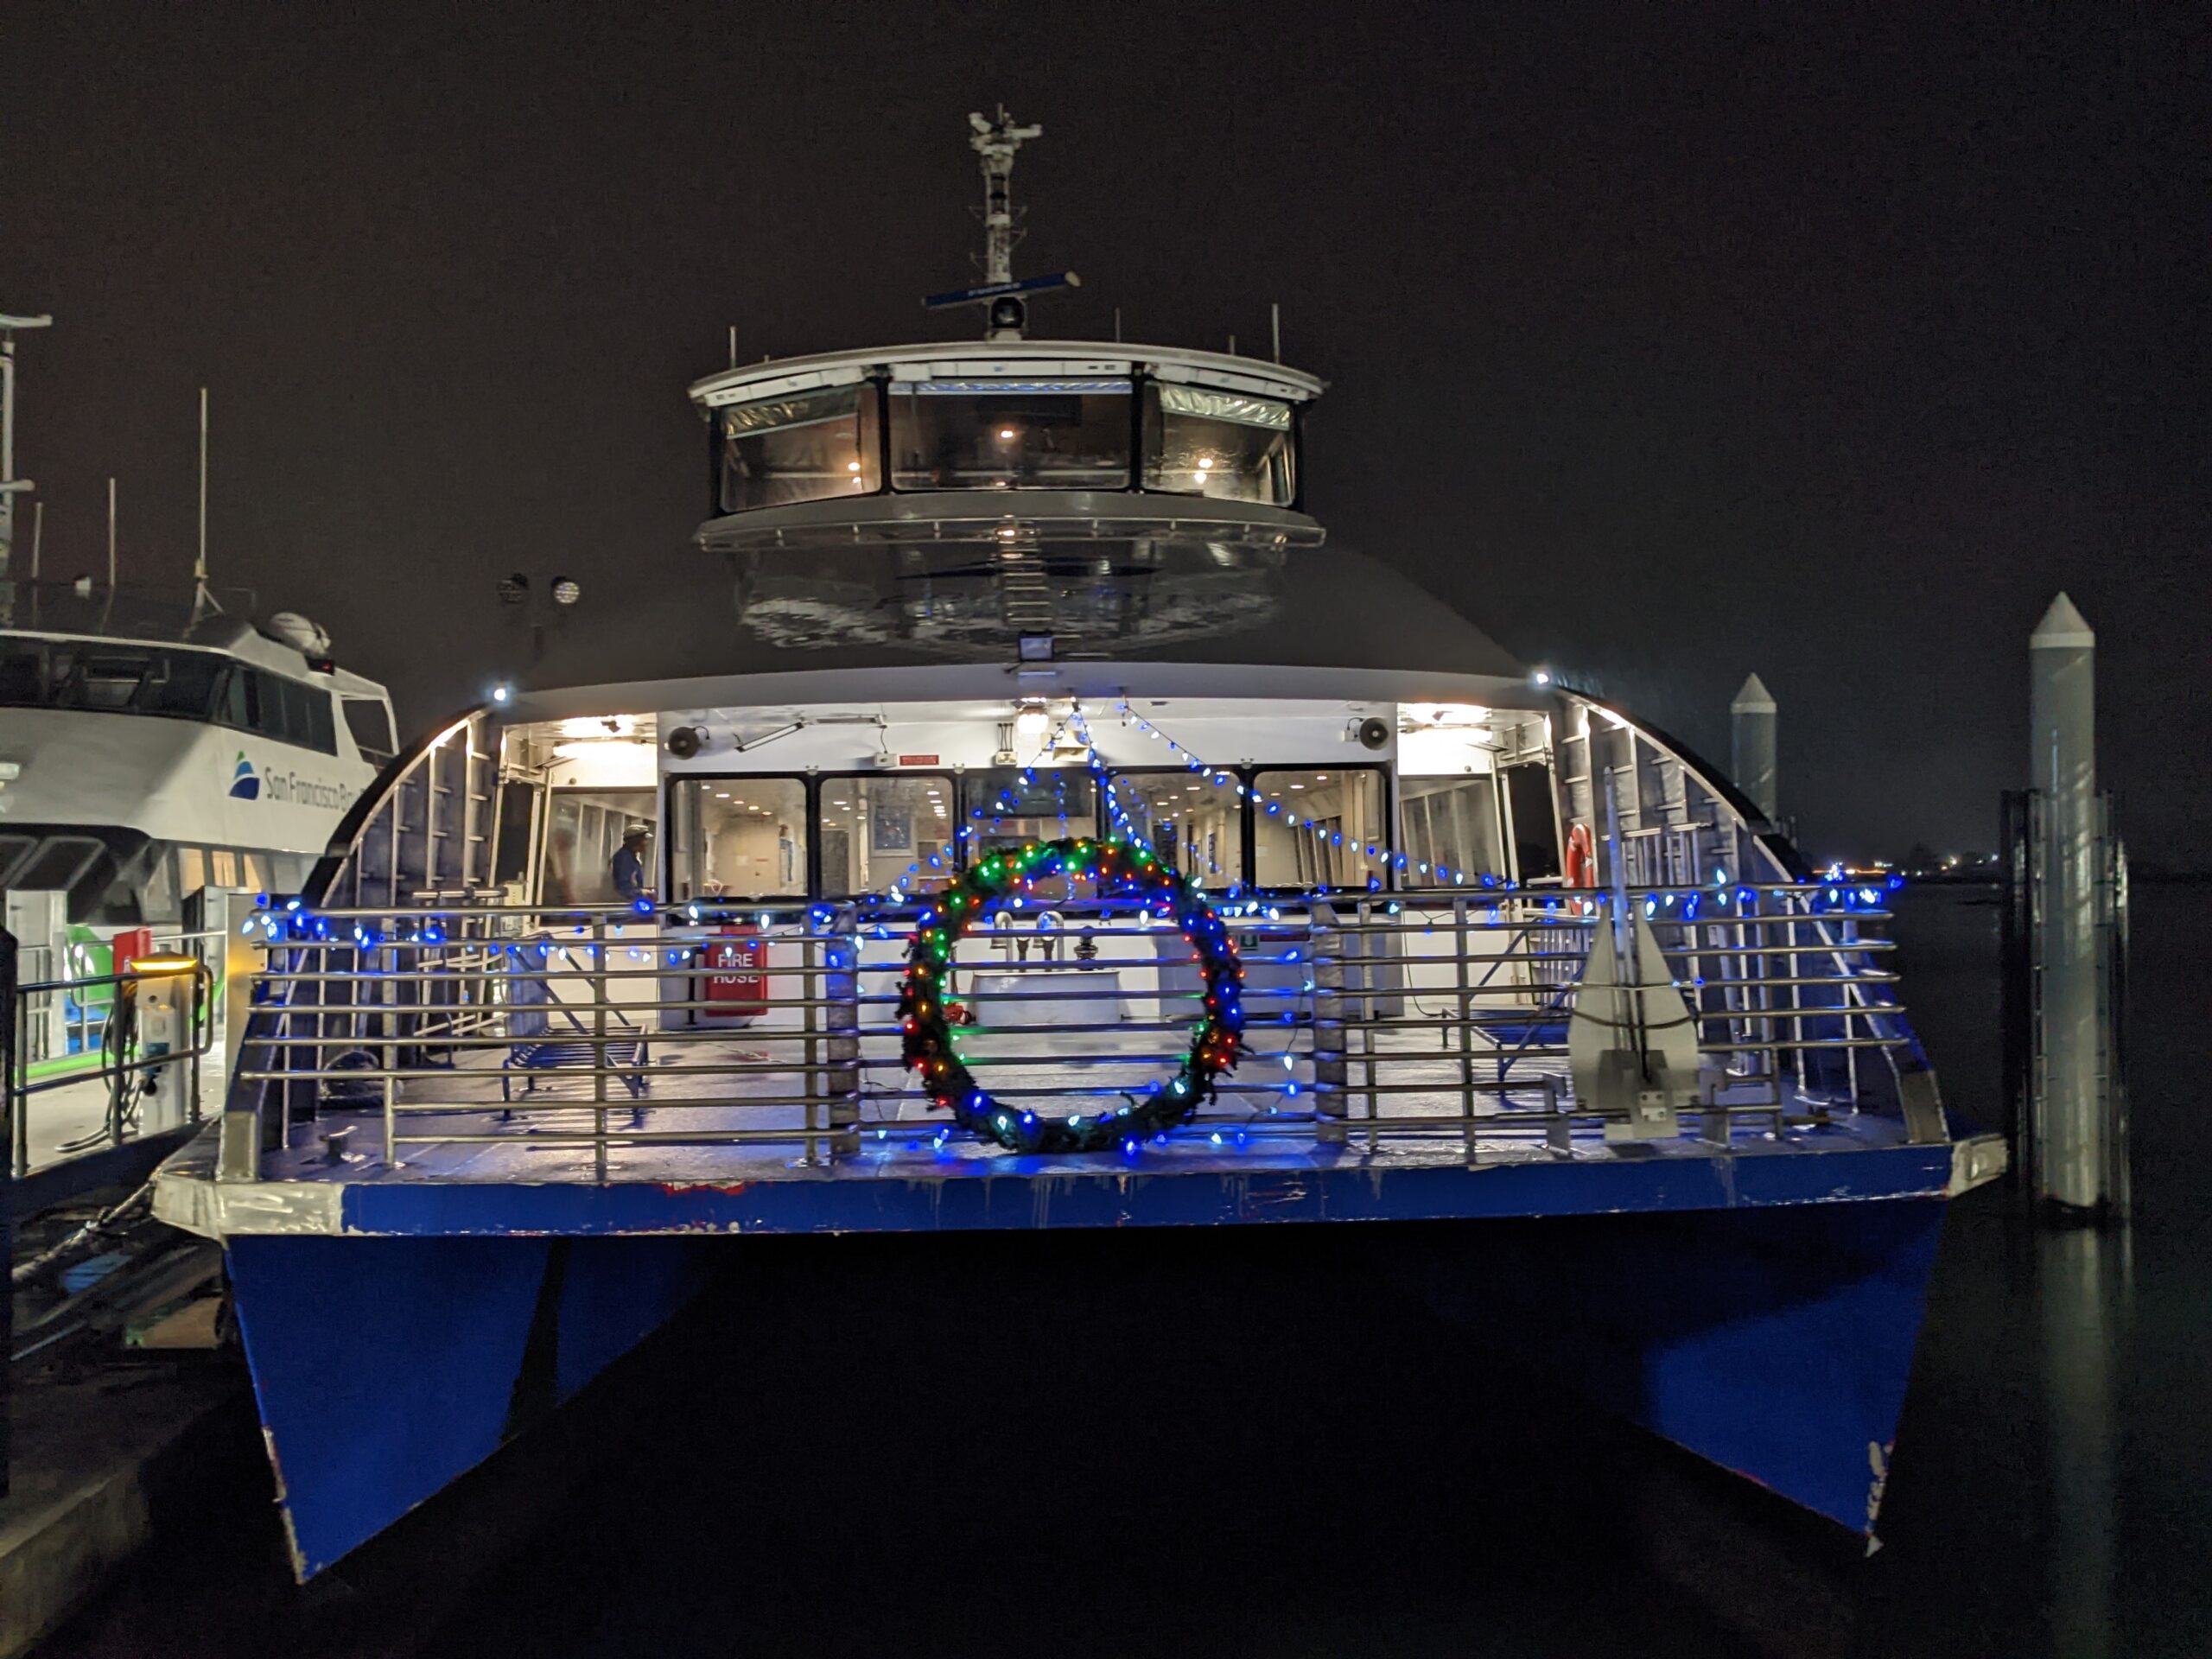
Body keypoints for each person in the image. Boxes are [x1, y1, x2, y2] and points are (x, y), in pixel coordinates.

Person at [611, 825, 652, 903]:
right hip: (624, 905)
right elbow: (622, 887)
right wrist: (641, 892)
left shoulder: (631, 857)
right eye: (644, 839)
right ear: (636, 841)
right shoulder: (624, 858)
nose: (647, 843)